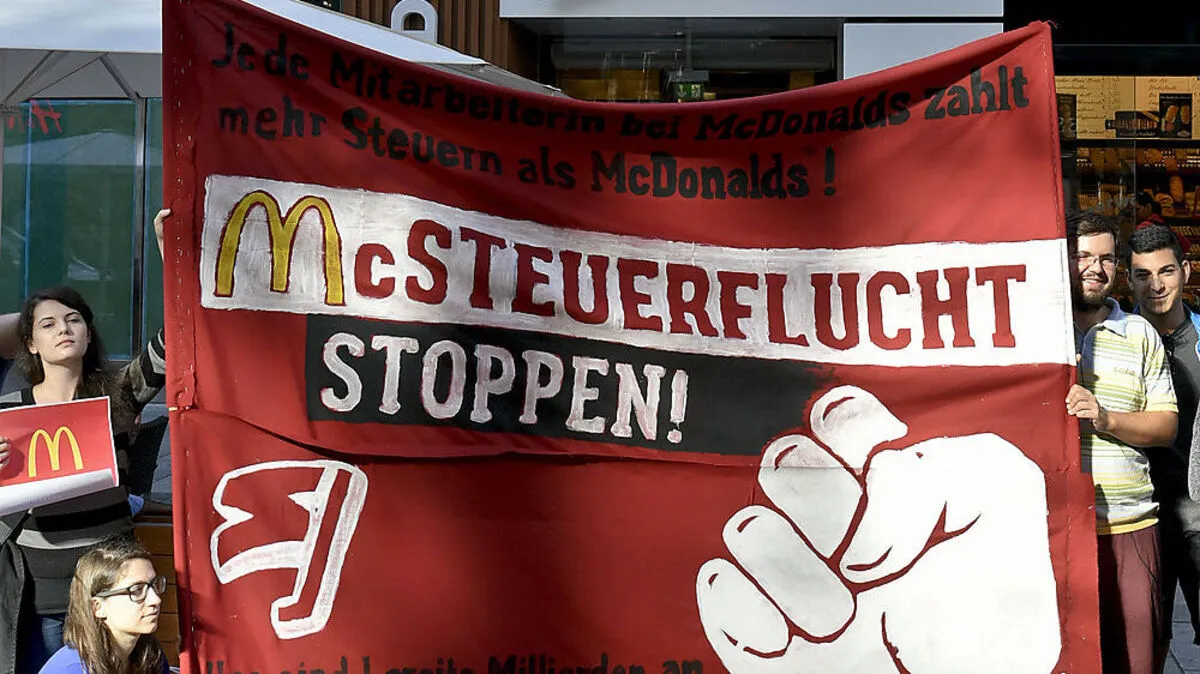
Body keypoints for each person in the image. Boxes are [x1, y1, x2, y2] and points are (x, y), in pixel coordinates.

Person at [0, 209, 170, 674]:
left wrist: (171, 256)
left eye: (73, 319)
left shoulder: (118, 397)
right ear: (29, 343)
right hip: (40, 602)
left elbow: (173, 343)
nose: (63, 329)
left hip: (113, 596)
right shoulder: (7, 411)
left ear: (89, 333)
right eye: (48, 324)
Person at [1065, 209, 1178, 674]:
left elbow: (1165, 426)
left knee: (1134, 661)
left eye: (1107, 259)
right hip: (1058, 531)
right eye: (1084, 257)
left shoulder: (1139, 332)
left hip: (1130, 526)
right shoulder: (1032, 333)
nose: (1096, 268)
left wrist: (1106, 418)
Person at [1126, 223, 1200, 650]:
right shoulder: (1112, 342)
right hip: (1138, 516)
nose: (1155, 285)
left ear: (1185, 271)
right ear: (1128, 279)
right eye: (1143, 275)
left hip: (1197, 513)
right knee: (1143, 646)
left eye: (1166, 271)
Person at [38, 536, 168, 674]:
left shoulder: (151, 656)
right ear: (98, 607)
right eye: (136, 590)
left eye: (154, 585)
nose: (156, 600)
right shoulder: (72, 669)